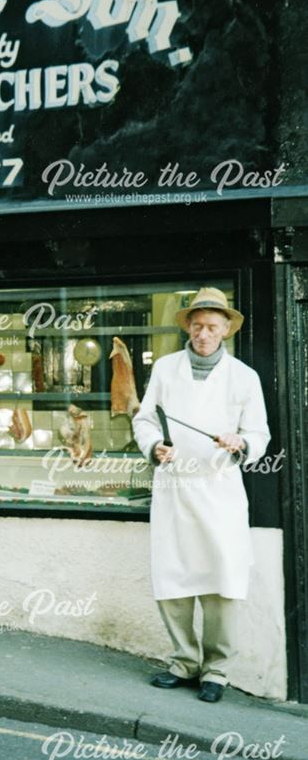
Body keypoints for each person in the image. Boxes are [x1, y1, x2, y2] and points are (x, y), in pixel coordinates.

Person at [132, 287, 270, 703]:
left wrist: (240, 444)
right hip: (174, 486)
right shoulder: (165, 369)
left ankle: (217, 670)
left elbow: (258, 433)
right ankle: (183, 662)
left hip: (219, 490)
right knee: (173, 577)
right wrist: (154, 446)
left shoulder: (245, 377)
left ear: (226, 329)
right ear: (188, 327)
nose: (203, 334)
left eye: (212, 327)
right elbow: (144, 418)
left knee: (222, 581)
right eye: (197, 326)